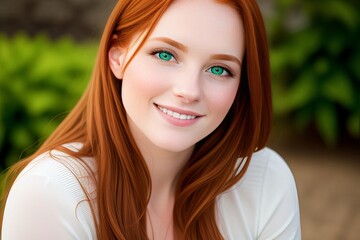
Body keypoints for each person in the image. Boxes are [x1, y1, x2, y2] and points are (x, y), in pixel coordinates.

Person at [0, 0, 301, 239]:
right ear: (117, 55)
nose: (189, 91)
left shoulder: (264, 182)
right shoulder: (52, 193)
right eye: (165, 55)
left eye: (219, 69)